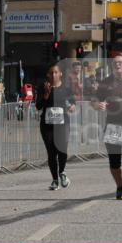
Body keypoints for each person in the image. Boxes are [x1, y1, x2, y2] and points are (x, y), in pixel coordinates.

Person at [35, 63, 76, 191]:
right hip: (47, 125)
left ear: (60, 74)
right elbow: (38, 106)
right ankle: (54, 180)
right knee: (51, 153)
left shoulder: (66, 88)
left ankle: (62, 172)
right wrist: (46, 95)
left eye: (56, 72)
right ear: (48, 74)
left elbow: (72, 101)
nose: (53, 75)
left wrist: (72, 106)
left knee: (62, 150)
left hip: (63, 124)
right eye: (51, 73)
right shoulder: (43, 87)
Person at [92, 54, 122, 200]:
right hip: (113, 125)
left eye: (121, 63)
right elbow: (95, 100)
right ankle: (120, 187)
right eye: (115, 63)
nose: (118, 65)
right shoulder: (106, 82)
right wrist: (97, 105)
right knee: (114, 160)